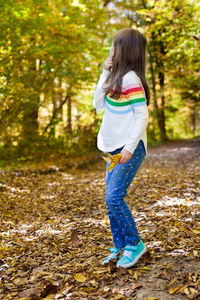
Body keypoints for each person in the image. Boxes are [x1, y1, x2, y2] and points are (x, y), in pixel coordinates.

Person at [93, 28, 150, 269]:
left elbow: (141, 116)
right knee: (110, 200)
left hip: (129, 148)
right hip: (111, 148)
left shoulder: (130, 80)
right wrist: (104, 73)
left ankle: (135, 244)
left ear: (125, 50)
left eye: (115, 46)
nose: (111, 50)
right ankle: (120, 245)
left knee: (114, 198)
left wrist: (129, 148)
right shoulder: (115, 77)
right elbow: (97, 104)